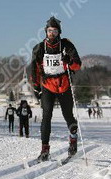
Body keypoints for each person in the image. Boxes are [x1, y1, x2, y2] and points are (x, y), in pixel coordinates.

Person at [31, 16, 82, 162]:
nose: (51, 33)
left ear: (58, 31)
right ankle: (44, 149)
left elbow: (77, 65)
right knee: (46, 116)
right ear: (45, 32)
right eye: (49, 30)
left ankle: (73, 141)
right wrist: (36, 87)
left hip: (64, 85)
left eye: (54, 30)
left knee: (68, 115)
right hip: (48, 85)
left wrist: (69, 61)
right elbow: (34, 69)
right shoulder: (40, 48)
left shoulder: (66, 45)